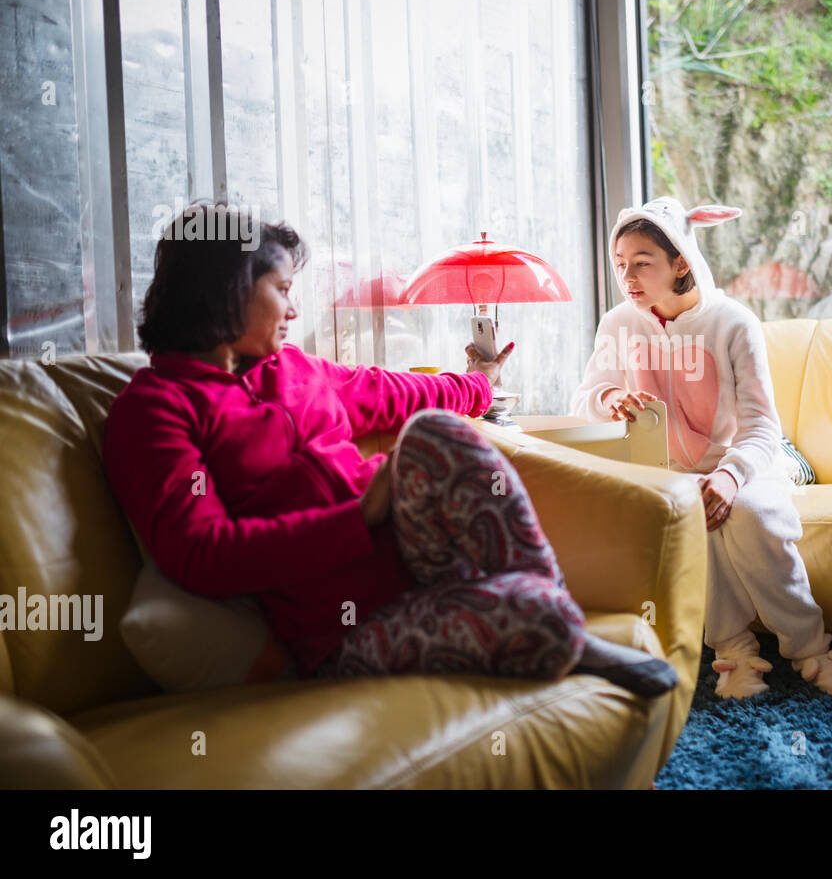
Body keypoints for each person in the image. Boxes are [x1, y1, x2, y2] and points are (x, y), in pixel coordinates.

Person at [102, 201, 676, 697]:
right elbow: (202, 552)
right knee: (540, 620)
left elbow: (389, 392)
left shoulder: (290, 368)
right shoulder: (154, 409)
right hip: (343, 627)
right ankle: (555, 624)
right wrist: (358, 517)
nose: (295, 311)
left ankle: (550, 612)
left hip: (413, 554)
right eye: (281, 291)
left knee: (432, 431)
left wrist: (478, 383)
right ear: (227, 294)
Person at [569, 197, 832, 699]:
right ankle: (735, 656)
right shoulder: (617, 324)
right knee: (689, 514)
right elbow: (583, 401)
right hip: (668, 472)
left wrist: (729, 477)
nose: (629, 278)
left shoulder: (733, 323)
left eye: (643, 263)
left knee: (748, 514)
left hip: (745, 464)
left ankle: (811, 649)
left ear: (680, 260)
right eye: (621, 265)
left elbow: (762, 428)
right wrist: (611, 397)